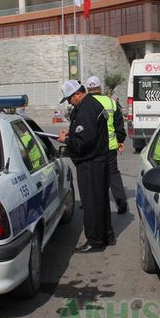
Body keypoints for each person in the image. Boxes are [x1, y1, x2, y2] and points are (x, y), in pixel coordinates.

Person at [57, 80, 115, 252]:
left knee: (91, 203)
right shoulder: (91, 105)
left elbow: (83, 142)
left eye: (69, 99)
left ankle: (95, 241)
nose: (69, 102)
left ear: (77, 94)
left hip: (90, 163)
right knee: (100, 200)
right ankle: (106, 236)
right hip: (99, 160)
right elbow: (89, 132)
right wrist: (72, 132)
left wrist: (65, 140)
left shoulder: (86, 110)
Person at [86, 76, 128, 214]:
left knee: (93, 176)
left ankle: (91, 204)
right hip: (110, 147)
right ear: (100, 88)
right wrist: (120, 140)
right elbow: (119, 127)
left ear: (88, 89)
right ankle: (122, 204)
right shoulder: (111, 103)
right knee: (113, 174)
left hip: (92, 148)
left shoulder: (85, 104)